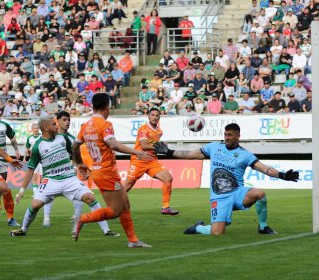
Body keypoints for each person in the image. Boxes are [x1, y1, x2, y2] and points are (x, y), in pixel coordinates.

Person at [154, 123, 299, 235]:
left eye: (230, 135)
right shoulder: (214, 147)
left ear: (238, 136)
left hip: (237, 193)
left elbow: (263, 168)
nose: (227, 137)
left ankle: (262, 226)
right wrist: (169, 152)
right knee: (217, 232)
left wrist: (282, 175)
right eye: (225, 134)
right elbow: (190, 154)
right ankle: (198, 228)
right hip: (219, 197)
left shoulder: (245, 154)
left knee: (259, 193)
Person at [10, 115, 115, 238]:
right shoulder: (38, 146)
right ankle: (23, 229)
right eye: (53, 124)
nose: (56, 125)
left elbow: (73, 152)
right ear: (45, 127)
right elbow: (30, 170)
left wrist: (80, 165)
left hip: (69, 178)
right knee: (35, 205)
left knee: (90, 198)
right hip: (50, 180)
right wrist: (21, 191)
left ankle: (106, 230)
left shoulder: (63, 138)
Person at [73, 93, 153, 248]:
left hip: (99, 171)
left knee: (125, 205)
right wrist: (138, 152)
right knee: (115, 210)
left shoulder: (85, 125)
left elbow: (74, 146)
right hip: (106, 172)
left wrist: (80, 164)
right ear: (106, 107)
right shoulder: (105, 125)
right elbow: (114, 145)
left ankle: (133, 240)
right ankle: (83, 219)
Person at [41, 110, 119, 236]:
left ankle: (104, 229)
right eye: (64, 120)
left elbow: (74, 156)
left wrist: (81, 168)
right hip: (52, 177)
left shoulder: (72, 139)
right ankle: (46, 219)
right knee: (44, 200)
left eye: (68, 120)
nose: (67, 122)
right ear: (57, 121)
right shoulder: (49, 137)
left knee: (86, 198)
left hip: (69, 177)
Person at [124, 107, 179, 215]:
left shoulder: (159, 131)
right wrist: (159, 147)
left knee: (168, 178)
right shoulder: (143, 129)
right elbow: (144, 146)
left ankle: (165, 207)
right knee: (127, 186)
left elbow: (153, 144)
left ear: (159, 117)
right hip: (139, 160)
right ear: (148, 116)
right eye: (152, 115)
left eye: (157, 115)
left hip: (152, 161)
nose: (154, 117)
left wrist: (161, 145)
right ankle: (113, 206)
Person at [24, 123, 42, 196]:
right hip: (33, 159)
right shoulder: (29, 138)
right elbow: (27, 148)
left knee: (41, 176)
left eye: (37, 128)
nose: (36, 130)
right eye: (34, 128)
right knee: (34, 175)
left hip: (41, 159)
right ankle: (35, 192)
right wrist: (25, 158)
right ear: (32, 129)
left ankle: (41, 191)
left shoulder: (41, 136)